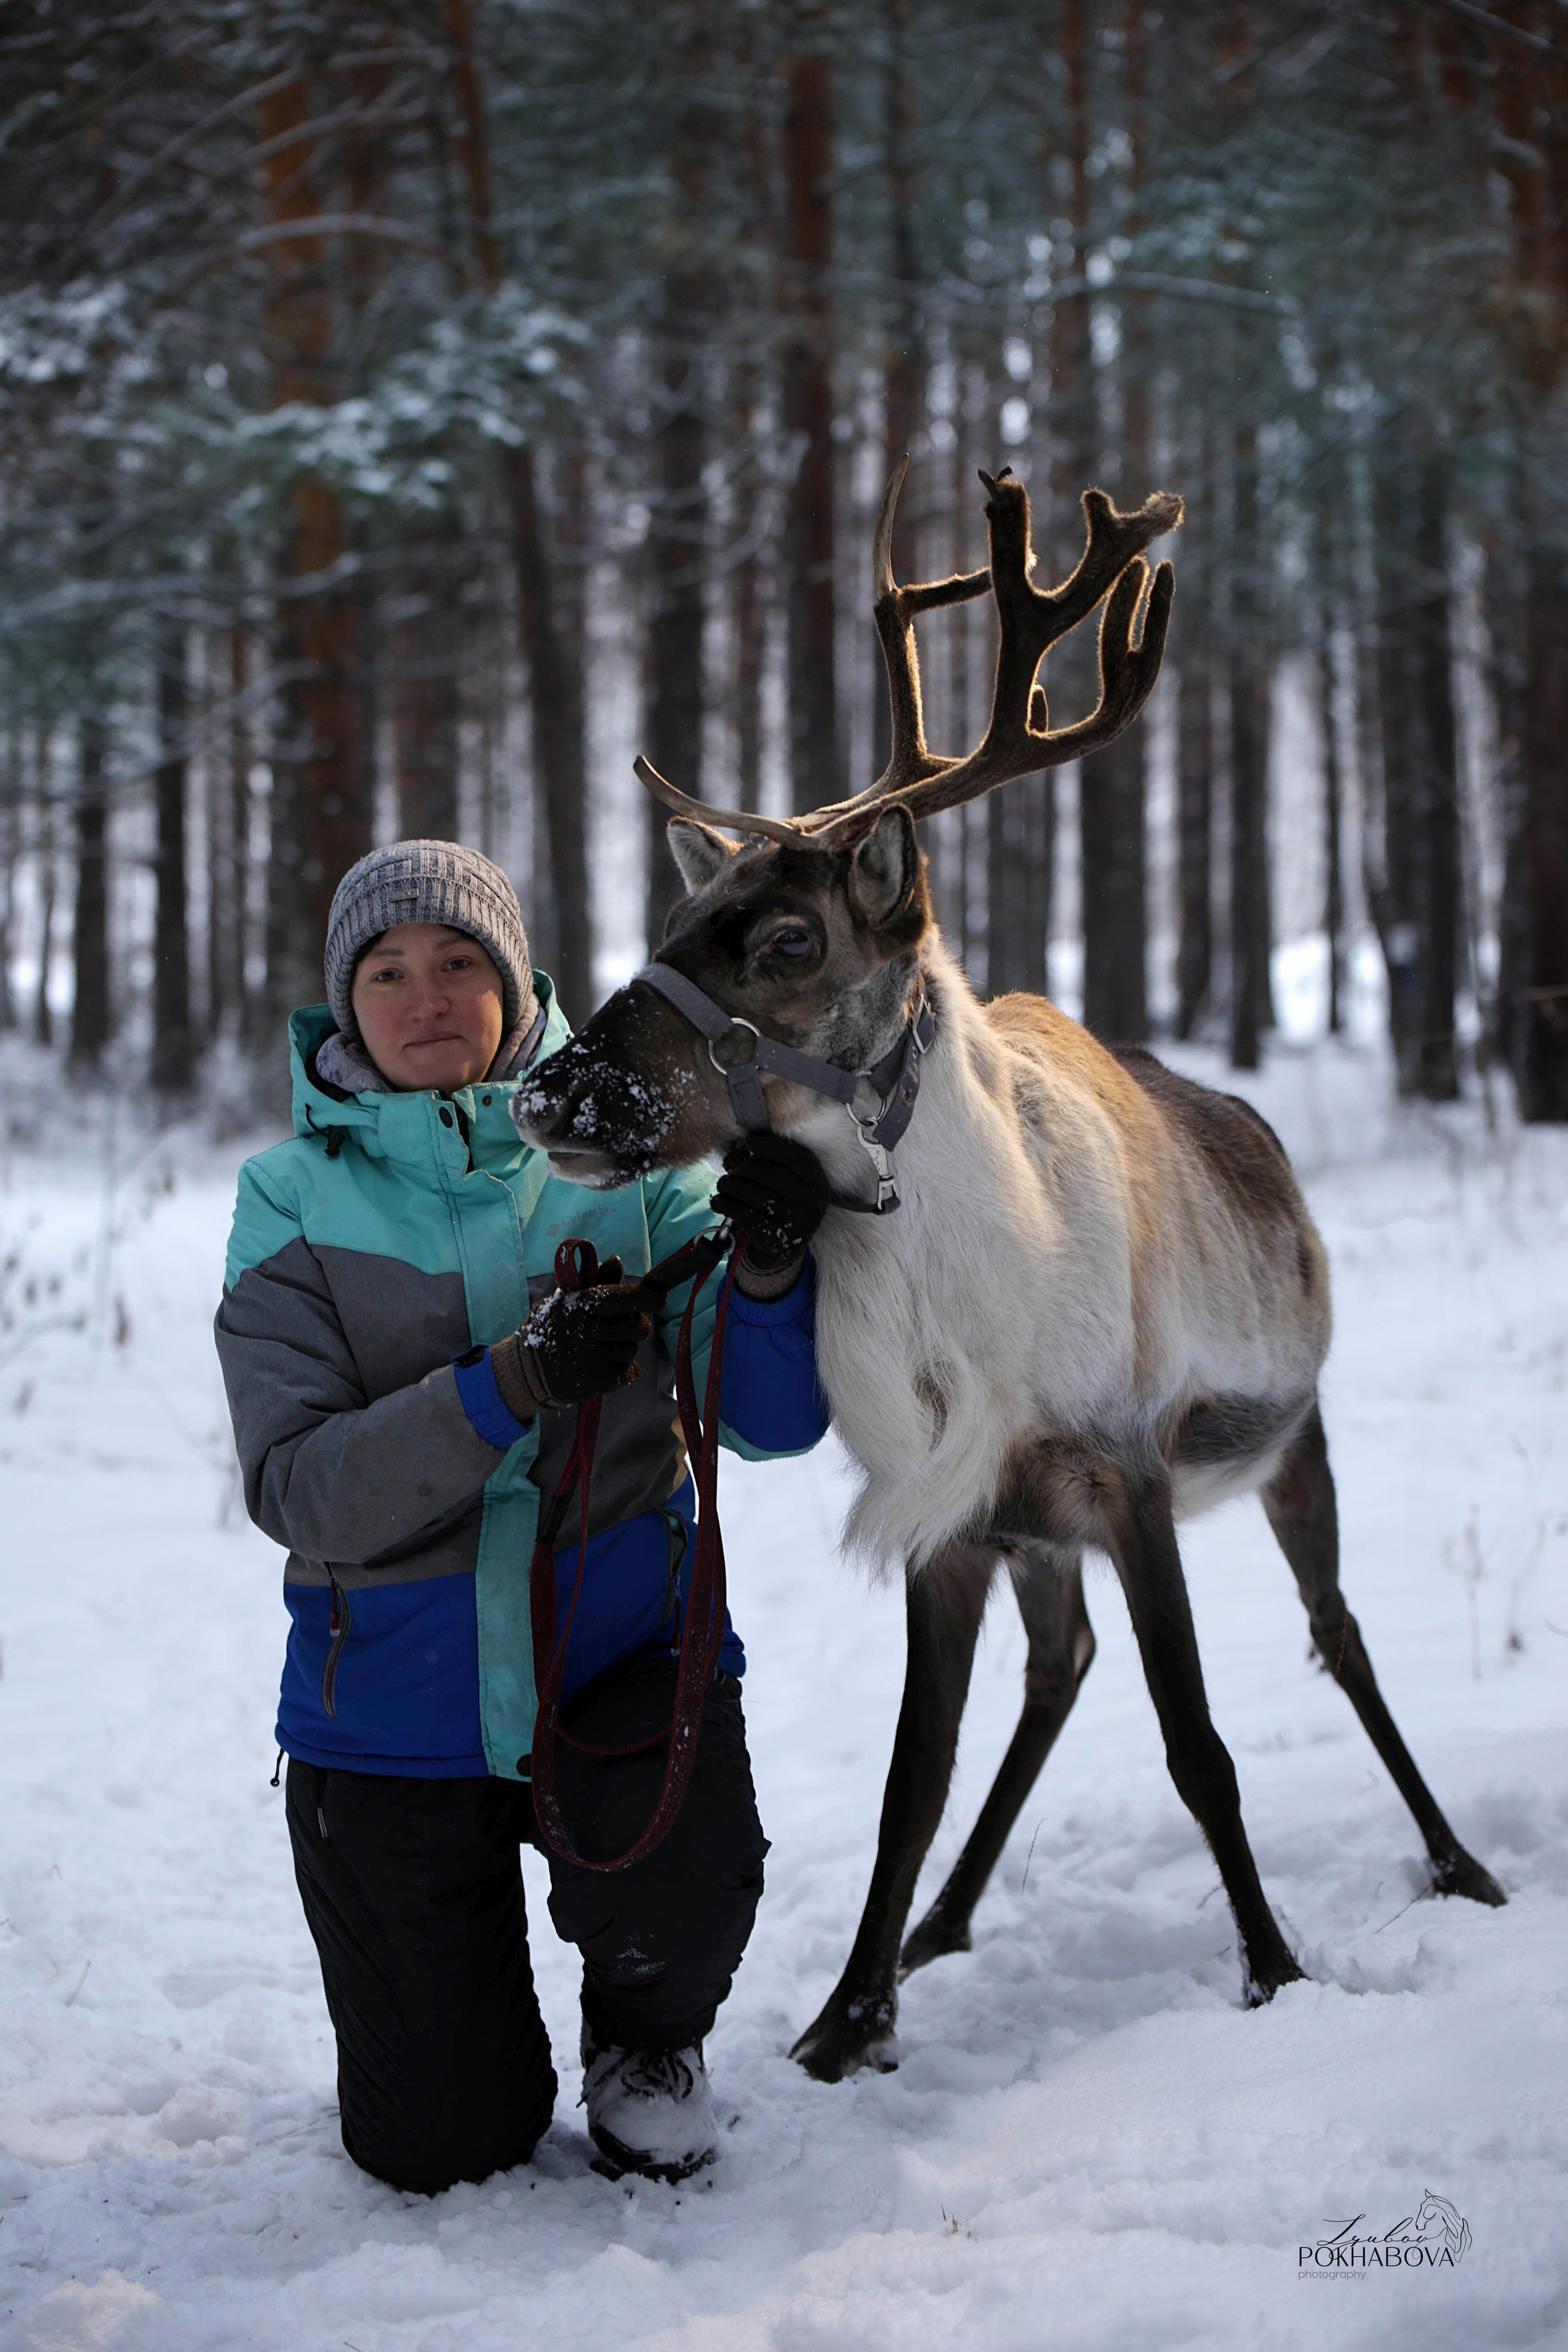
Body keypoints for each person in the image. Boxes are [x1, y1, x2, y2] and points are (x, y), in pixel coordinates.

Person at [214, 839, 832, 2194]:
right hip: (388, 1705)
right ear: (344, 1001)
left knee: (681, 1899)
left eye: (457, 964)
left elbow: (770, 1423)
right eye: (387, 972)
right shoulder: (288, 1202)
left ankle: (646, 2040)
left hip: (616, 1657)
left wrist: (775, 1273)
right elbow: (298, 1486)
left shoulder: (630, 1154)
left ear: (514, 985)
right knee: (439, 2147)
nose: (425, 997)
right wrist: (510, 1385)